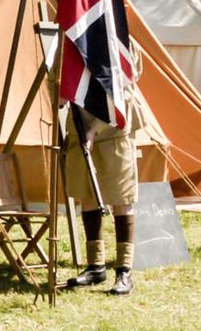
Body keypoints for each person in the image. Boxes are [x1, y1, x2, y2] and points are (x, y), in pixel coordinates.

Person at [61, 94, 146, 295]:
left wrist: (95, 130)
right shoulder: (67, 59)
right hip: (79, 126)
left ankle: (124, 272)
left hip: (115, 127)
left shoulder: (117, 59)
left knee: (121, 198)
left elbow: (122, 89)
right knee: (87, 195)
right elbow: (58, 80)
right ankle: (95, 267)